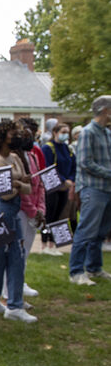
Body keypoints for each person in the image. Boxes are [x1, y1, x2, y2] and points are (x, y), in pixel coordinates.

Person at [0, 120, 36, 322]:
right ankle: (14, 305)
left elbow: (28, 187)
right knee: (12, 256)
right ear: (2, 137)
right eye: (13, 134)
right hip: (1, 213)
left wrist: (17, 184)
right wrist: (20, 183)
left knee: (6, 256)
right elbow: (4, 194)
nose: (17, 137)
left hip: (13, 209)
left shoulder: (14, 157)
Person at [68, 95, 111, 285]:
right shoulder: (87, 132)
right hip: (93, 189)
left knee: (101, 232)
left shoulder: (107, 133)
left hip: (107, 189)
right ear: (105, 110)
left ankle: (94, 267)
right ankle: (76, 271)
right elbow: (85, 162)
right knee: (86, 230)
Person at [12, 120, 46, 299]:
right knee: (17, 251)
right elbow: (22, 189)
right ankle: (9, 287)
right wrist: (32, 210)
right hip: (23, 211)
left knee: (26, 251)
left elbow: (38, 184)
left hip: (34, 211)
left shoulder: (32, 157)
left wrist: (41, 208)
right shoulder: (15, 158)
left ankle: (20, 281)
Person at [40, 120, 76, 255]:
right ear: (55, 133)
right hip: (52, 186)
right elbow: (48, 166)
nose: (66, 135)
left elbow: (73, 166)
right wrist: (61, 181)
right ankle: (44, 244)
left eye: (67, 133)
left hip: (65, 187)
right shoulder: (48, 148)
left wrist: (70, 180)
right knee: (49, 215)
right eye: (63, 132)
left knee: (59, 216)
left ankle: (53, 243)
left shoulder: (68, 149)